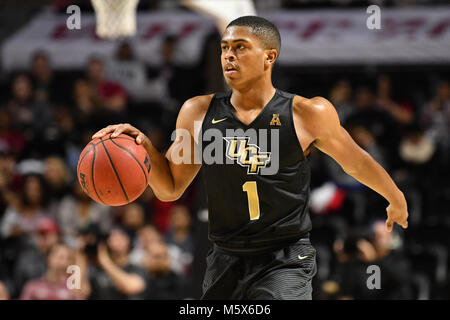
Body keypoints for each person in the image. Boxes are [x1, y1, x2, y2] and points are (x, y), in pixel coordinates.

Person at [93, 16, 409, 300]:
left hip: (284, 258)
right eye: (225, 48)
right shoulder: (197, 112)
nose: (229, 55)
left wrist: (394, 197)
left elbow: (355, 161)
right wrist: (144, 148)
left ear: (269, 57)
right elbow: (171, 188)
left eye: (240, 47)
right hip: (225, 257)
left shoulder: (308, 113)